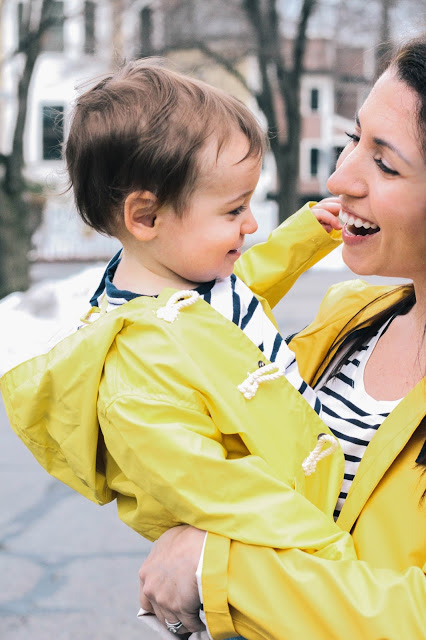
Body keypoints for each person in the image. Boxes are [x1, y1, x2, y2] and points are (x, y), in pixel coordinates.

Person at [1, 58, 360, 581]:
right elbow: (214, 489)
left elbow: (246, 285)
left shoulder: (192, 278)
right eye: (233, 210)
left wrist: (304, 235)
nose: (252, 223)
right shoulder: (137, 368)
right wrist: (331, 552)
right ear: (146, 217)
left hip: (306, 514)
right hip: (278, 558)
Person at [137, 37, 426, 639]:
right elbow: (204, 317)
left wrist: (219, 568)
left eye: (385, 162)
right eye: (353, 138)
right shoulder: (348, 320)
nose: (339, 176)